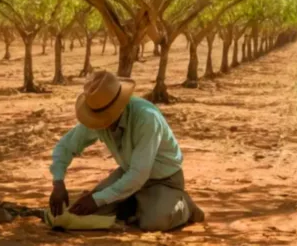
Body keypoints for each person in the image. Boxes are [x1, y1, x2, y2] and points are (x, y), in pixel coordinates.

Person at [48, 70, 204, 231]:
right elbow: (66, 146)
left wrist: (97, 199)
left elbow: (139, 174)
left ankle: (185, 206)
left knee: (154, 222)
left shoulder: (146, 118)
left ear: (119, 107)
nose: (102, 122)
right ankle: (133, 202)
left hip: (164, 179)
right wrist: (58, 182)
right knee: (82, 212)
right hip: (129, 173)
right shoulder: (97, 117)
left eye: (105, 116)